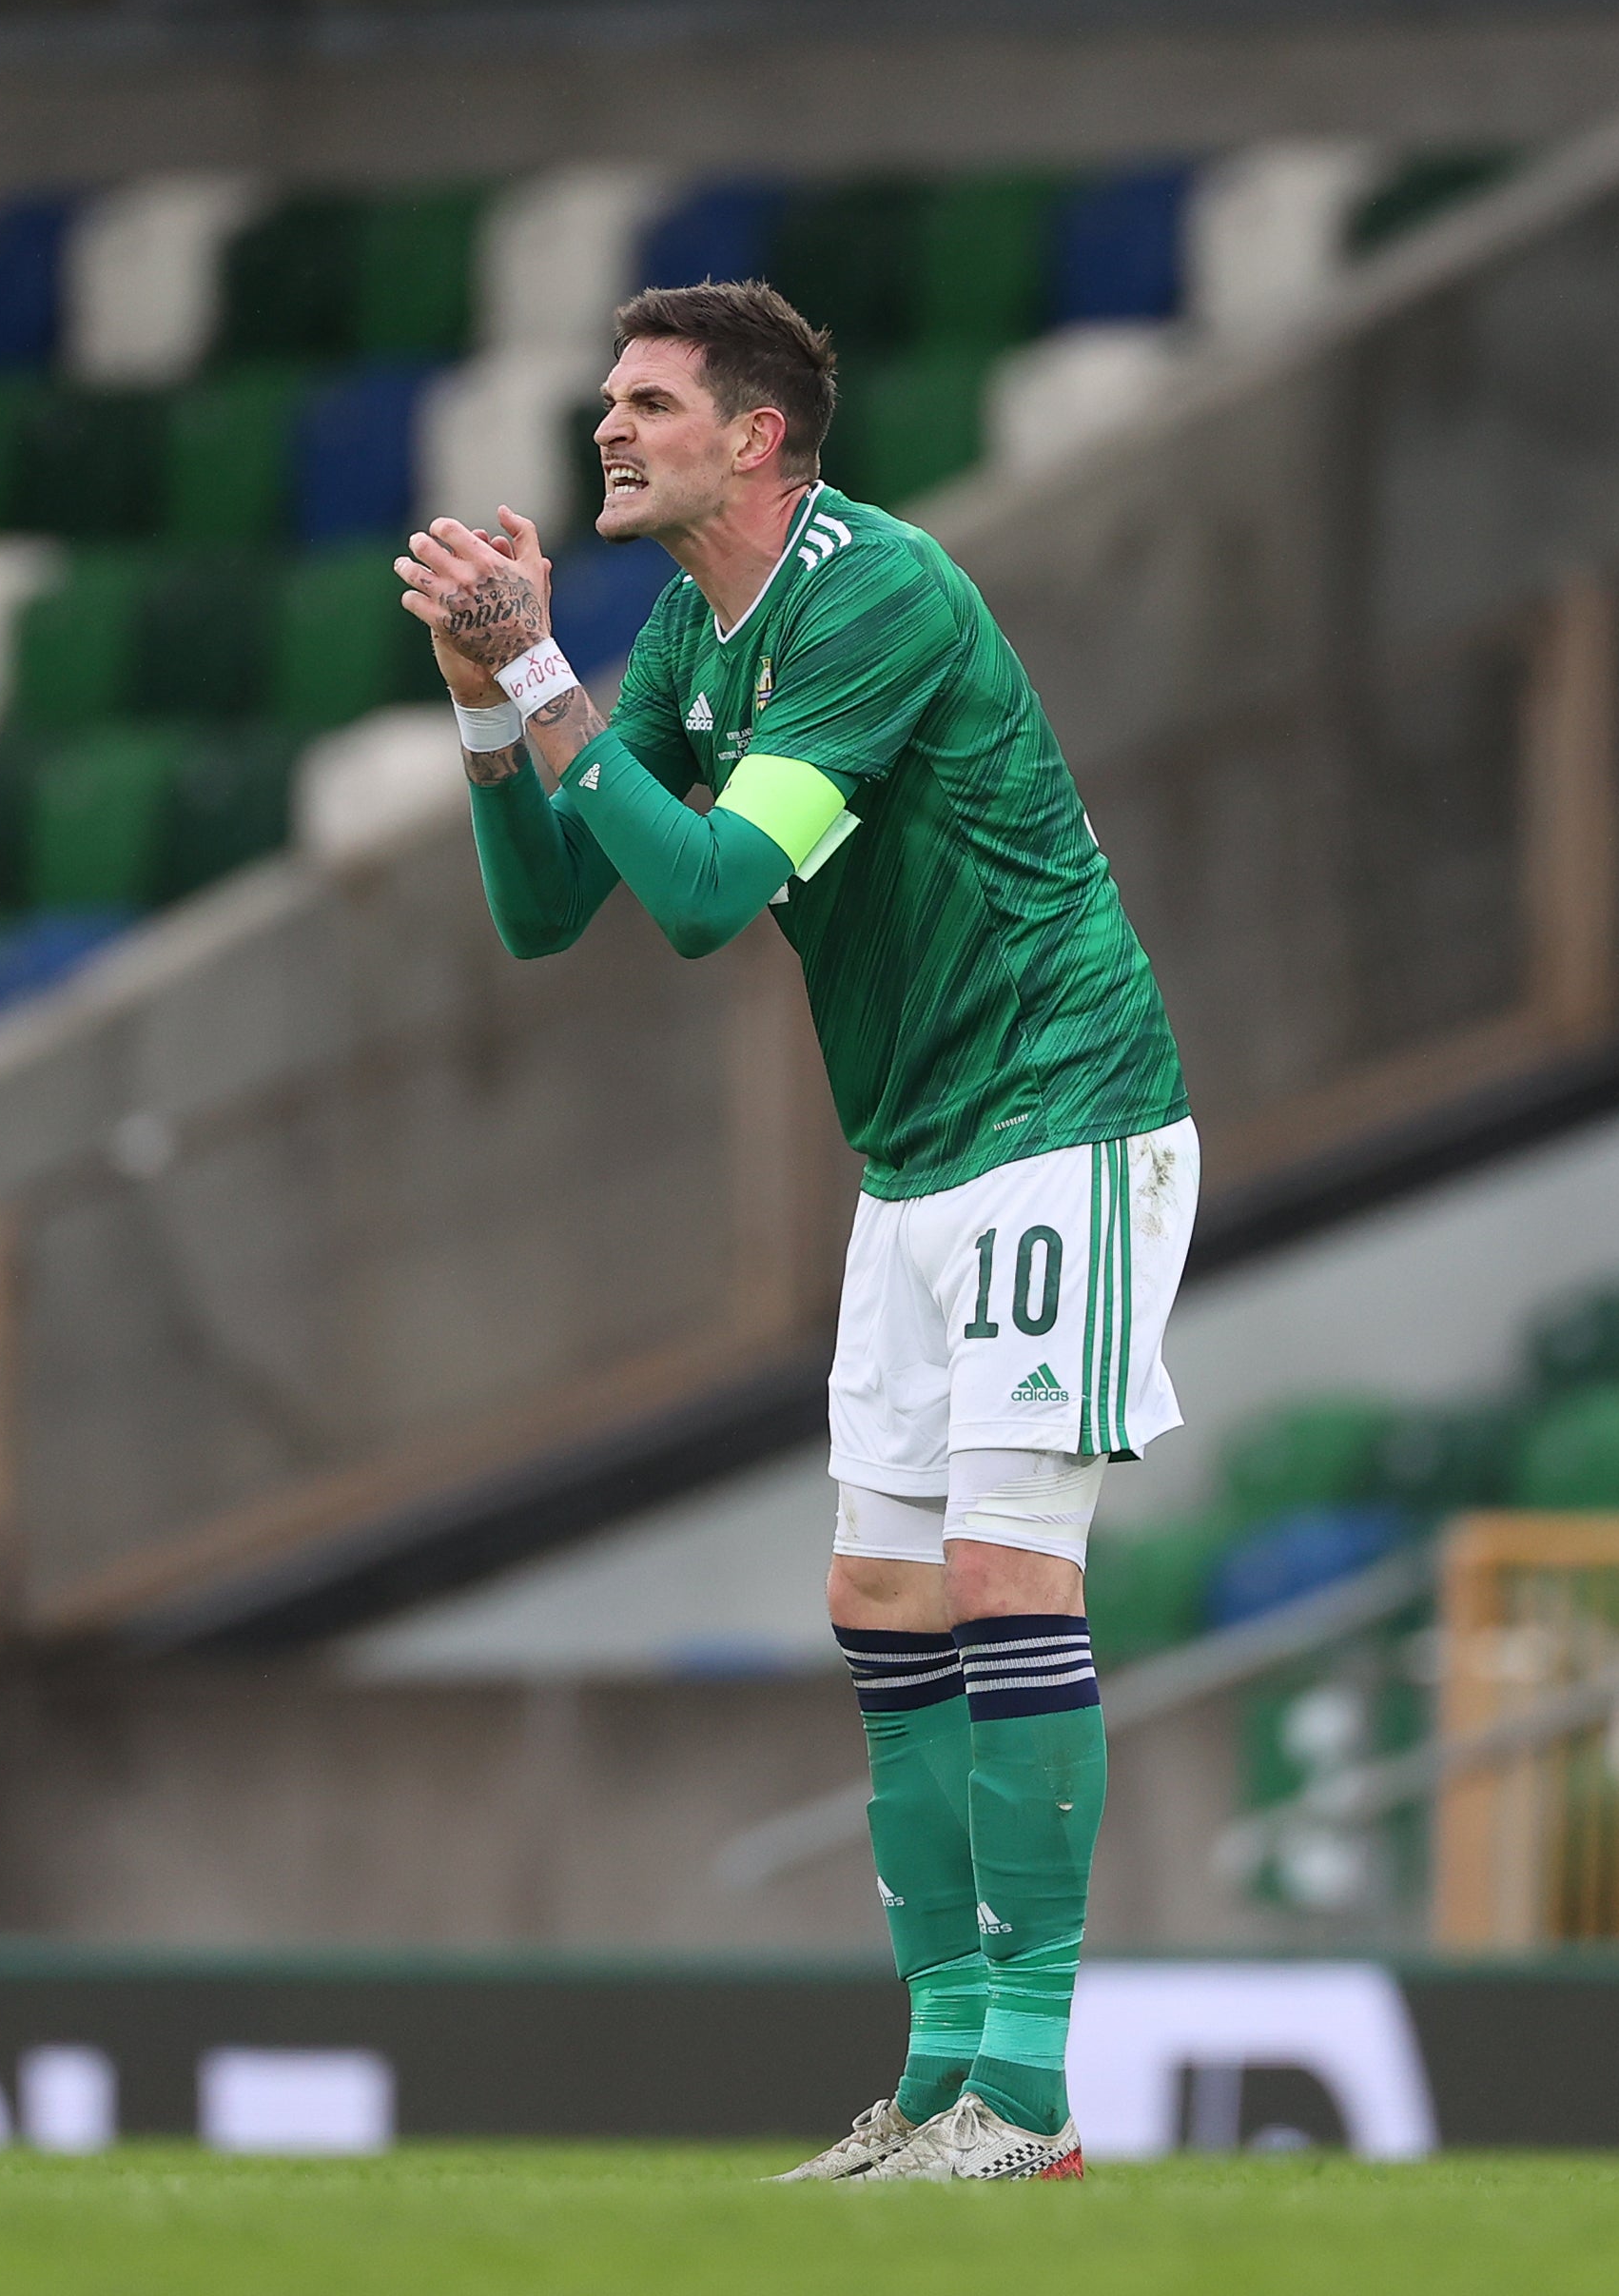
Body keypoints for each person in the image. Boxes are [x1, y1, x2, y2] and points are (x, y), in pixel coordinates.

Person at [396, 279, 1195, 2184]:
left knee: (1007, 1579)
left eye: (647, 402)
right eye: (607, 399)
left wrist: (546, 678)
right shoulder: (695, 623)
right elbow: (543, 910)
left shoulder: (874, 595)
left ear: (749, 437)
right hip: (914, 1153)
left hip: (1057, 1118)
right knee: (876, 1605)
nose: (607, 427)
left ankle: (1028, 2091)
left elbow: (701, 895)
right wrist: (484, 700)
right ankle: (931, 2079)